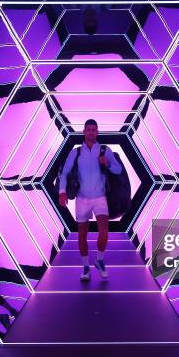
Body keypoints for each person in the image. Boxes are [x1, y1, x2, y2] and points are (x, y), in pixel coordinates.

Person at [58, 119, 122, 280]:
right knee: (82, 235)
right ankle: (86, 267)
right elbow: (64, 173)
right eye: (89, 129)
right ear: (84, 132)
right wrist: (62, 192)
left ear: (97, 131)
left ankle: (99, 260)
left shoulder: (104, 150)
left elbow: (118, 169)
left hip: (100, 197)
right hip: (82, 198)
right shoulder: (76, 152)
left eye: (94, 129)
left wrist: (107, 164)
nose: (91, 132)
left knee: (104, 232)